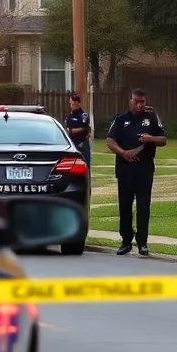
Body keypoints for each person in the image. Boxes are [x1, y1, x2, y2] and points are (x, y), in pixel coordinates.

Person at [105, 89, 166, 256]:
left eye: (143, 101)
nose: (140, 105)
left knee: (143, 206)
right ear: (130, 101)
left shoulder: (152, 118)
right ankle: (126, 240)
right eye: (137, 101)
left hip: (144, 169)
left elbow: (163, 139)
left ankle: (142, 242)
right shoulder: (121, 119)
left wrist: (150, 138)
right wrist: (123, 153)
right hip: (125, 168)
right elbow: (110, 141)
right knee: (124, 205)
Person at [64, 93, 91, 167]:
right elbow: (68, 127)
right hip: (72, 142)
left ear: (76, 103)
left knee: (84, 163)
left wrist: (73, 130)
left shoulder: (83, 115)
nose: (70, 105)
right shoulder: (69, 116)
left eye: (71, 103)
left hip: (82, 143)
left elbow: (86, 128)